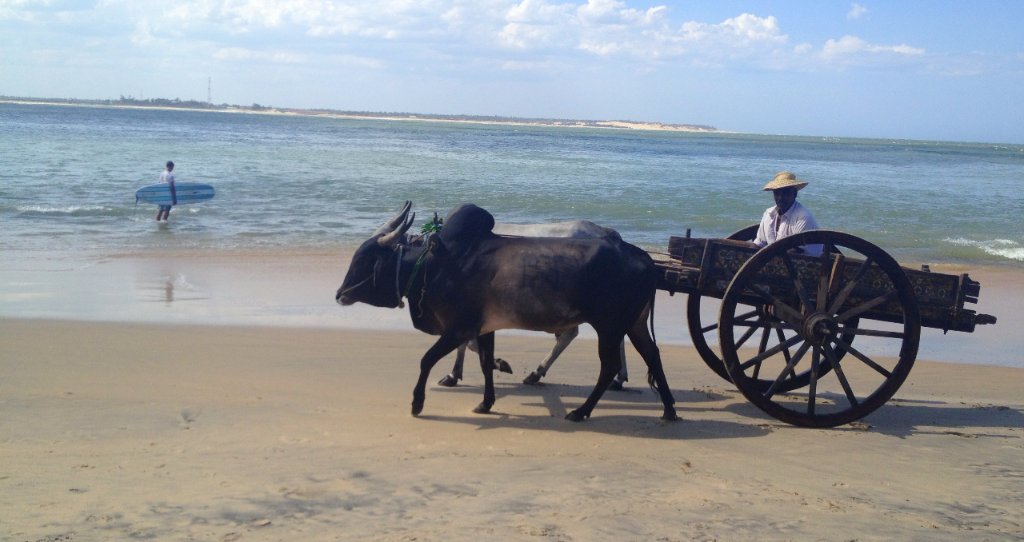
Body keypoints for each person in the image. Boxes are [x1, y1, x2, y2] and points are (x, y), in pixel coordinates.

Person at [753, 171, 822, 256]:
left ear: (795, 194)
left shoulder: (803, 218)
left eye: (785, 193)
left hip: (802, 265)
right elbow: (759, 244)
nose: (780, 198)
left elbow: (797, 253)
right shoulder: (768, 214)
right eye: (777, 193)